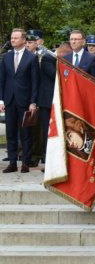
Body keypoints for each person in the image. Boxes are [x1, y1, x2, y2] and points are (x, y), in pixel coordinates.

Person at [0, 29, 39, 173]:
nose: (12, 40)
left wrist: (33, 101)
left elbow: (35, 82)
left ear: (23, 40)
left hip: (25, 101)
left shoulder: (31, 58)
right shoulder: (7, 57)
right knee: (10, 133)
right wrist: (1, 100)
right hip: (9, 100)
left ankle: (25, 163)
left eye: (16, 38)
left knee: (26, 133)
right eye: (11, 38)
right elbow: (2, 79)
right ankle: (12, 163)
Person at [26, 31, 56, 167]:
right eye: (28, 41)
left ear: (40, 42)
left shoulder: (46, 55)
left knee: (42, 129)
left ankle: (43, 155)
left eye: (33, 41)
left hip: (42, 97)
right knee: (28, 127)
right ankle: (29, 155)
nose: (29, 44)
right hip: (27, 96)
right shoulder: (23, 56)